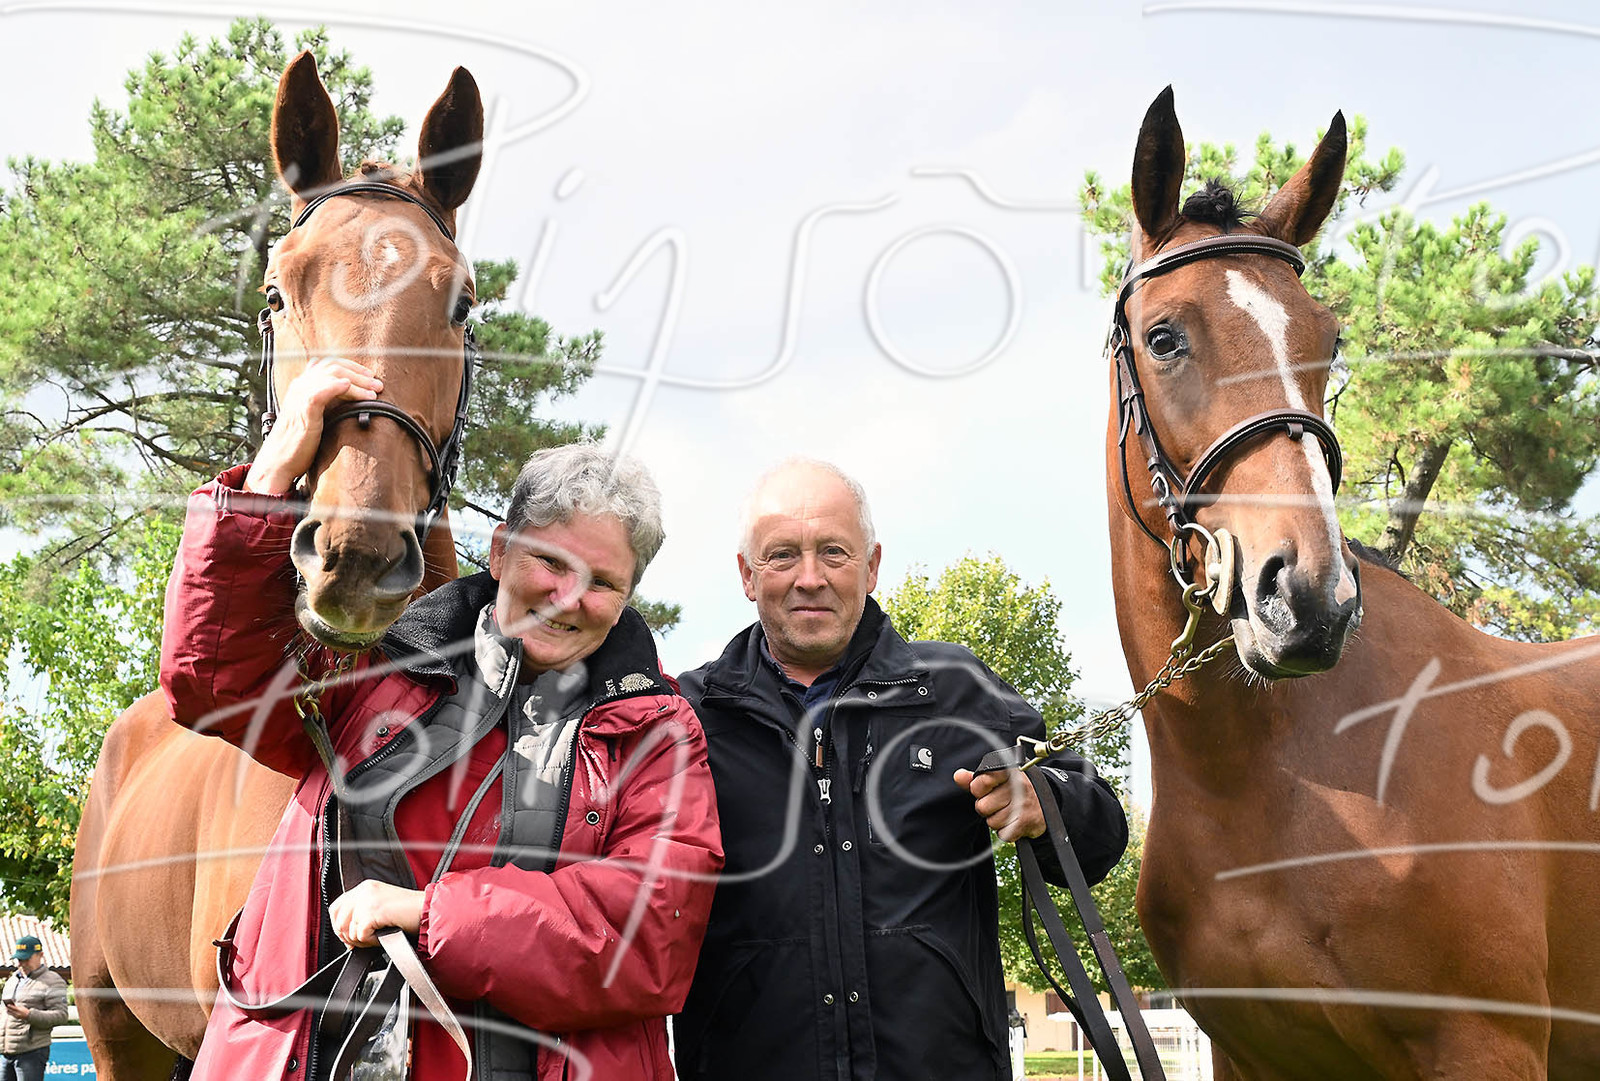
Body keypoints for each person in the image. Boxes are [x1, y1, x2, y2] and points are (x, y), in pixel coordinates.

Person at [160, 356, 723, 1081]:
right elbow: (215, 680)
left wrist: (427, 914)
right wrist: (272, 472)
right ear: (500, 550)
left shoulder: (660, 733)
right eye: (551, 561)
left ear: (627, 597)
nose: (567, 597)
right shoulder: (374, 667)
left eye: (602, 581)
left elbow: (647, 937)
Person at [674, 459, 1128, 1081]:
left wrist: (1044, 801)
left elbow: (1102, 833)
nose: (810, 578)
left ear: (872, 566)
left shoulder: (956, 688)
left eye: (834, 552)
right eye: (782, 556)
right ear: (747, 576)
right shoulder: (690, 714)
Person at [0, 936, 66, 1081]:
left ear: (40, 955)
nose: (21, 963)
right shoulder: (12, 981)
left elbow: (61, 1015)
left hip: (32, 1052)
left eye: (26, 959)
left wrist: (29, 1015)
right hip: (6, 1052)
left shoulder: (53, 981)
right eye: (19, 959)